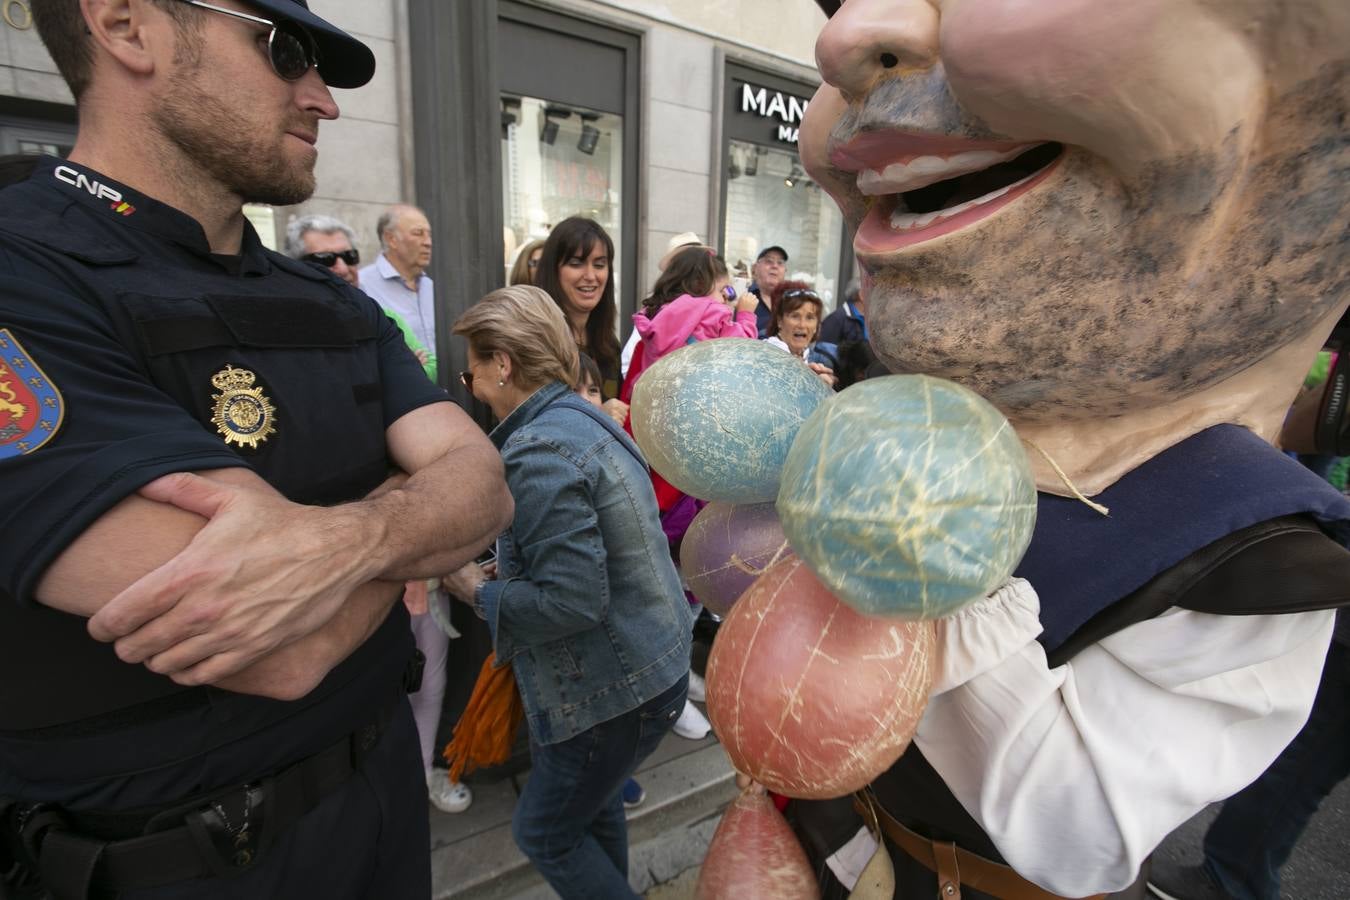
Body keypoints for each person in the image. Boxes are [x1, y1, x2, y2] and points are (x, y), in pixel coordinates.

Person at [785, 0, 1350, 897]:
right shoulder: (905, 408)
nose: (845, 35)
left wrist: (926, 565)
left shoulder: (1255, 554)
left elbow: (1075, 835)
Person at [0, 2, 513, 897]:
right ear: (126, 26)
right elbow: (285, 649)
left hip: (380, 817)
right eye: (284, 52)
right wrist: (412, 526)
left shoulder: (328, 301)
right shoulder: (25, 271)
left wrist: (345, 544)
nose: (324, 100)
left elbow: (486, 485)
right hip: (168, 864)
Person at [444, 286, 695, 900]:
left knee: (547, 834)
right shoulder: (581, 417)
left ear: (502, 362)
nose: (470, 383)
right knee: (596, 806)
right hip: (650, 670)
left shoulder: (538, 449)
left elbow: (573, 602)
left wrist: (475, 588)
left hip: (613, 689)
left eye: (472, 367)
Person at [285, 212, 436, 377]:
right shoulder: (288, 325)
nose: (342, 269)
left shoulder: (382, 315)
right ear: (295, 267)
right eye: (325, 259)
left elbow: (429, 369)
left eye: (349, 256)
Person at [535, 216, 627, 425]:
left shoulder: (609, 346)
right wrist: (598, 416)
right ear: (553, 270)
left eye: (599, 264)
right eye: (576, 264)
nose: (590, 276)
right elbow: (529, 425)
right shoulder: (535, 342)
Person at [358, 203, 436, 356]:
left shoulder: (432, 286)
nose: (428, 242)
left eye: (429, 234)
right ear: (391, 239)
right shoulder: (362, 285)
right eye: (418, 233)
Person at [763, 281, 836, 388]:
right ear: (779, 321)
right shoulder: (765, 354)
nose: (802, 325)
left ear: (816, 325)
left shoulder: (821, 362)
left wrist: (824, 390)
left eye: (810, 318)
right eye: (795, 316)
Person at [747, 245, 788, 337]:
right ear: (755, 268)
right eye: (769, 261)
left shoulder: (791, 301)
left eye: (780, 263)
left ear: (785, 271)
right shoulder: (744, 297)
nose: (775, 266)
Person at [818, 278, 866, 346]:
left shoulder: (870, 318)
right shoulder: (836, 319)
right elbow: (824, 351)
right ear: (861, 295)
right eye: (872, 291)